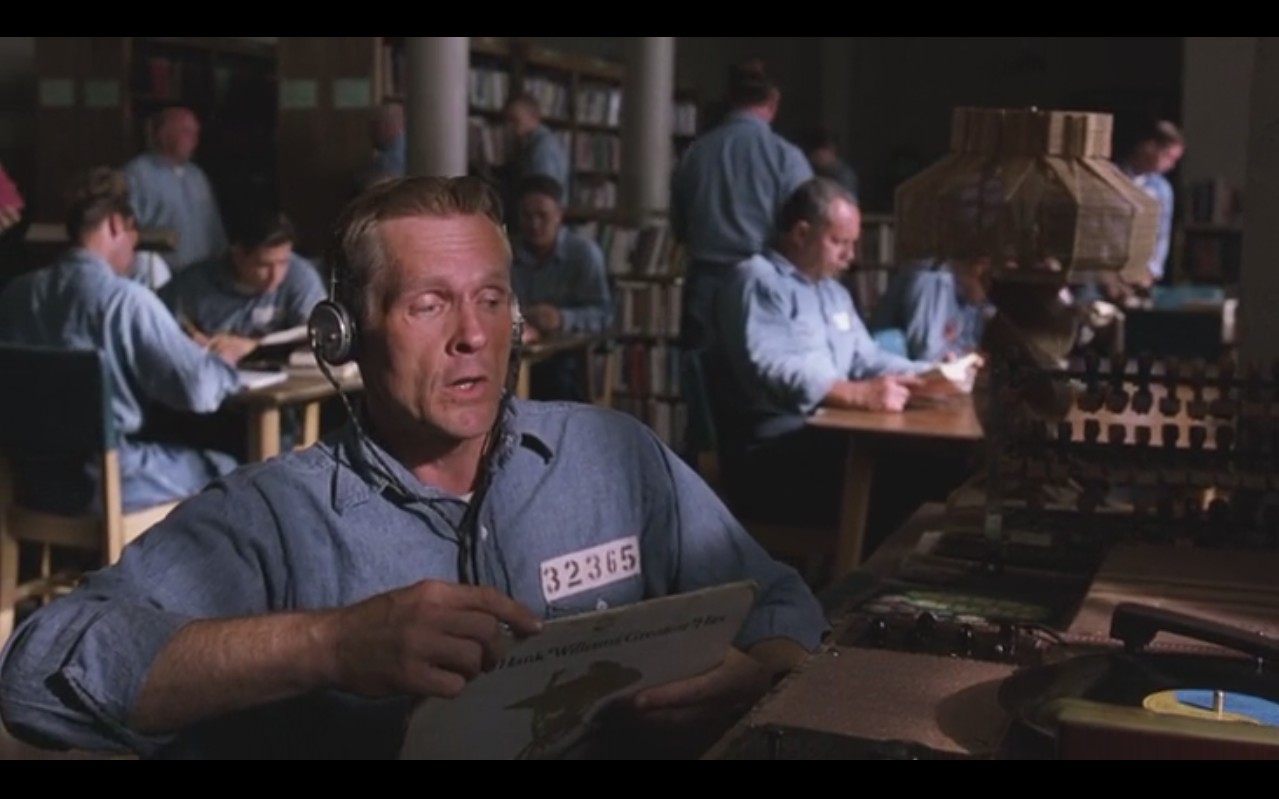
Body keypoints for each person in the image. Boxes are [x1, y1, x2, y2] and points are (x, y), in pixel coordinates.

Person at [0, 175, 828, 760]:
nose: (472, 335)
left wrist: (757, 676)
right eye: (428, 304)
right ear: (342, 336)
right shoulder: (276, 517)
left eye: (491, 299)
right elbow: (38, 675)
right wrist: (328, 645)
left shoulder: (614, 456)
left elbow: (783, 601)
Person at [710, 177, 966, 530]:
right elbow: (777, 368)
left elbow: (866, 358)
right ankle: (868, 561)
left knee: (940, 463)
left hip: (823, 438)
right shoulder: (757, 279)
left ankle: (881, 558)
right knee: (915, 472)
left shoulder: (832, 292)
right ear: (801, 233)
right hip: (773, 453)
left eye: (852, 243)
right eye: (839, 242)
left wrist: (932, 372)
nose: (850, 255)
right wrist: (859, 394)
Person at [0, 167, 245, 516]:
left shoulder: (16, 294)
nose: (134, 249)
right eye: (134, 235)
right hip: (107, 482)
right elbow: (198, 390)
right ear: (117, 225)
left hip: (29, 482)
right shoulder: (126, 300)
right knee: (232, 472)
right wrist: (223, 361)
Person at [669, 58, 813, 353]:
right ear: (774, 100)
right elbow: (805, 231)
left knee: (703, 373)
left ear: (730, 99)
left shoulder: (695, 154)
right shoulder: (787, 158)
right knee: (764, 370)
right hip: (765, 284)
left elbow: (679, 226)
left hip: (705, 283)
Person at [160, 205, 326, 361]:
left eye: (283, 262)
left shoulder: (300, 276)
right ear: (237, 254)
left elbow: (321, 335)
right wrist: (187, 341)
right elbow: (157, 330)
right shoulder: (193, 283)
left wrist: (253, 346)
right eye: (263, 265)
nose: (275, 276)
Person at [511, 175, 613, 402]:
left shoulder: (583, 254)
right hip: (519, 353)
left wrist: (562, 318)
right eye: (527, 216)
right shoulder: (508, 253)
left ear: (559, 215)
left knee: (555, 380)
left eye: (542, 216)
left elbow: (605, 316)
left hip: (569, 361)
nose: (534, 224)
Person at [123, 105, 228, 272]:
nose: (194, 139)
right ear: (163, 134)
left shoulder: (197, 176)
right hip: (161, 275)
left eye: (196, 133)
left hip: (202, 274)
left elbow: (213, 226)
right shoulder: (137, 174)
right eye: (186, 131)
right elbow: (126, 228)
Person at [869, 257, 993, 362]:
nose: (986, 303)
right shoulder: (932, 280)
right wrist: (960, 353)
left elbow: (969, 345)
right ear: (979, 269)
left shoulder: (969, 297)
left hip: (916, 370)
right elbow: (927, 354)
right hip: (887, 368)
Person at [1116, 119, 1185, 289]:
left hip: (1139, 273)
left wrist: (1152, 272)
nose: (1171, 165)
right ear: (1150, 146)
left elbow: (1161, 233)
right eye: (1168, 156)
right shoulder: (1112, 177)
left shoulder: (1162, 190)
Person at [503, 92, 571, 209]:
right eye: (508, 120)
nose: (509, 126)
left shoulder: (542, 147)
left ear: (533, 117)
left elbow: (543, 193)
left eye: (514, 119)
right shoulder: (537, 143)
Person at [355, 98, 406, 193]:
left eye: (373, 126)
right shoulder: (409, 145)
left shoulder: (388, 159)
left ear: (384, 126)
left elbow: (373, 189)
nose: (370, 133)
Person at [799, 128, 859, 201]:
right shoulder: (812, 170)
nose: (814, 159)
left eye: (818, 155)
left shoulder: (844, 175)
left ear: (831, 150)